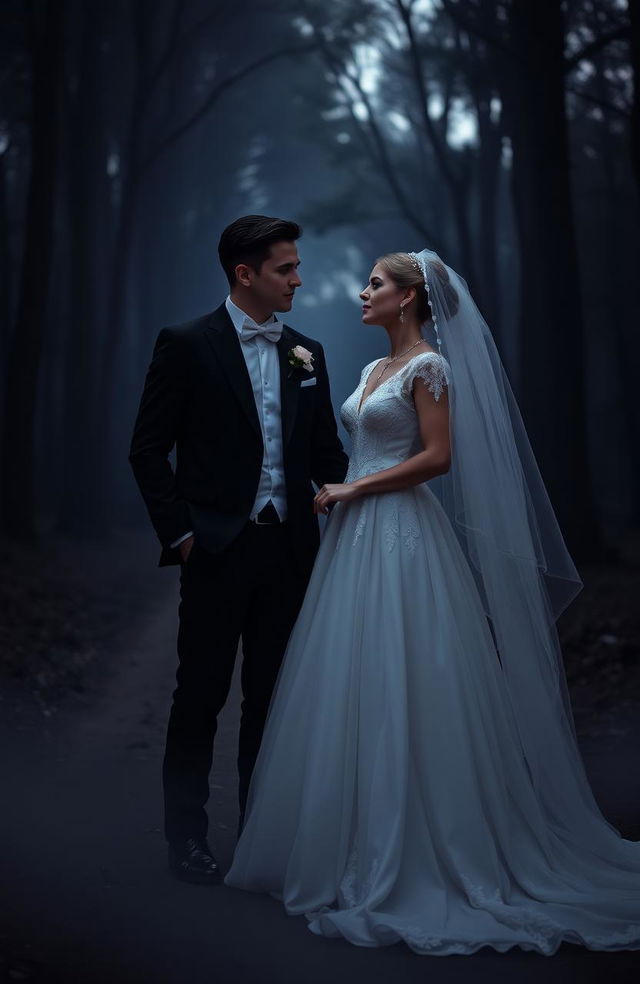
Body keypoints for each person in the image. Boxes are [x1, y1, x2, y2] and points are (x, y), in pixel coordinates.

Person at [225, 249, 640, 954]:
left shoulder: (431, 367)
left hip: (405, 538)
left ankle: (419, 847)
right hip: (355, 543)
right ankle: (350, 841)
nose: (364, 292)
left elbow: (438, 457)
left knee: (410, 676)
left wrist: (355, 488)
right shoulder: (368, 370)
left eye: (377, 283)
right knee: (351, 680)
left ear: (411, 298)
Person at [129, 215, 348, 884]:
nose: (298, 279)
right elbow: (146, 449)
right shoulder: (187, 343)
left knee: (273, 700)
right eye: (285, 268)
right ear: (244, 273)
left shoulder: (307, 351)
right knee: (199, 696)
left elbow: (326, 456)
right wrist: (184, 534)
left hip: (290, 552)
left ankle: (262, 838)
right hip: (218, 550)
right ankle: (186, 842)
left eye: (297, 266)